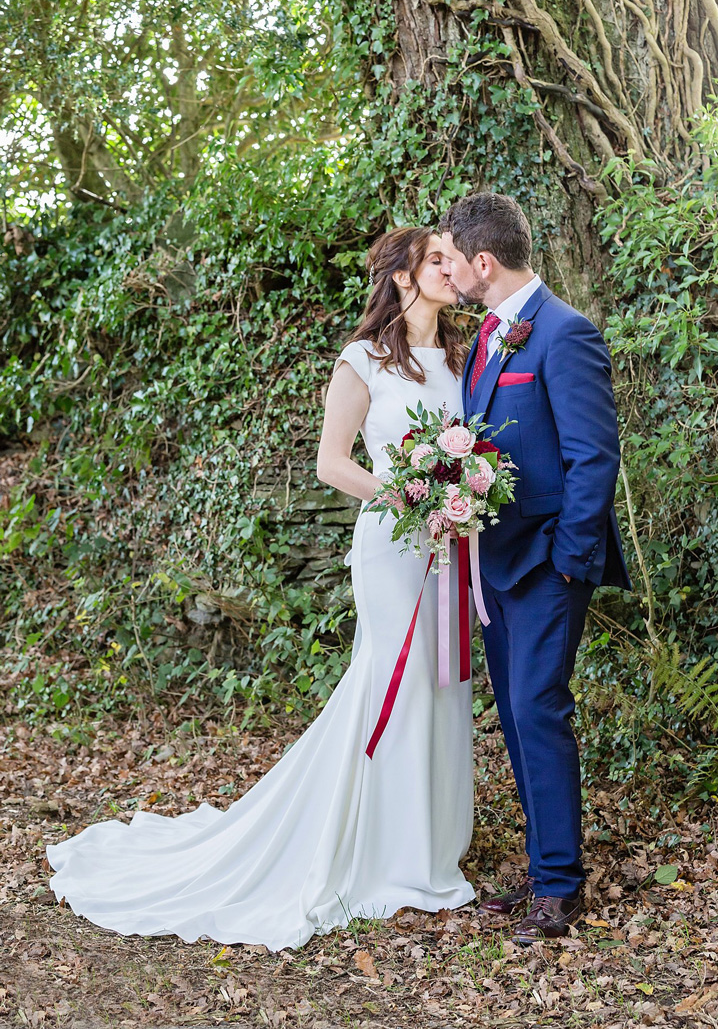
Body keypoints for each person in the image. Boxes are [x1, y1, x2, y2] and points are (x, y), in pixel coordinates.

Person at [46, 226, 477, 951]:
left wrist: (460, 494)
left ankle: (430, 848)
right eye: (434, 258)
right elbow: (329, 464)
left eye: (449, 259)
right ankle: (380, 852)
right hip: (391, 543)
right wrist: (406, 497)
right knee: (391, 683)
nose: (448, 267)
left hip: (445, 546)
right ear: (401, 278)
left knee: (441, 682)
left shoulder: (459, 360)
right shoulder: (361, 359)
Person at [440, 192, 631, 946]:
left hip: (548, 565)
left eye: (452, 259)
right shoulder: (488, 337)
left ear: (482, 261)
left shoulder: (565, 333)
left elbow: (594, 457)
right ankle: (541, 862)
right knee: (517, 719)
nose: (447, 272)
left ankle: (559, 886)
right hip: (495, 564)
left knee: (538, 710)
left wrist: (565, 562)